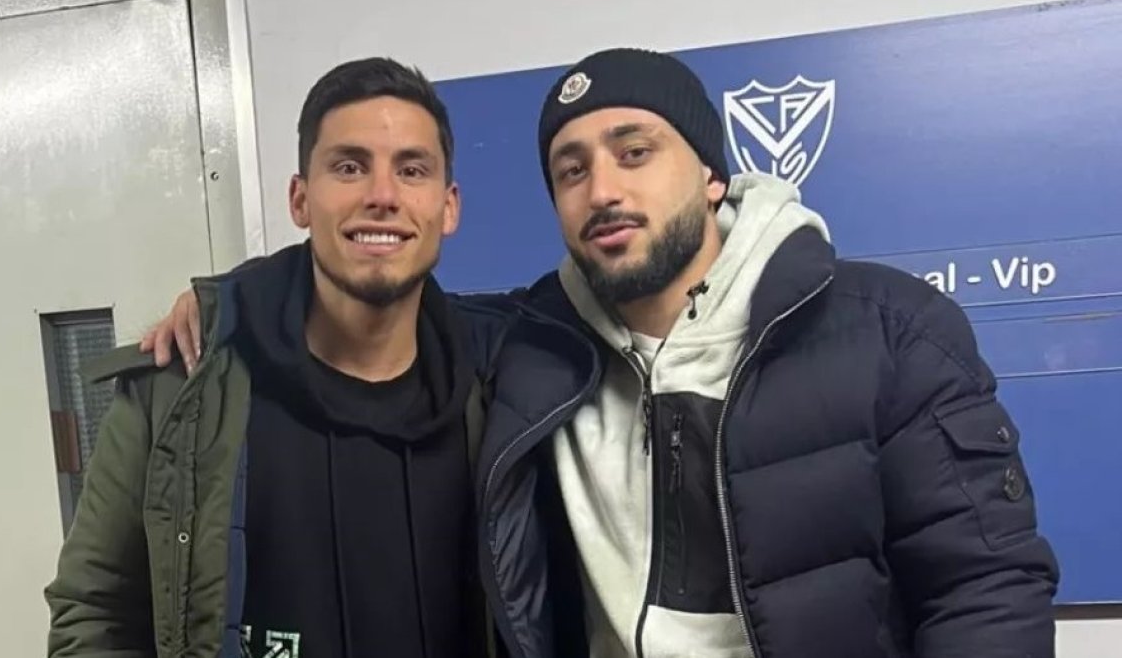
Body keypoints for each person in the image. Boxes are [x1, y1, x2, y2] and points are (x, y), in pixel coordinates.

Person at [145, 49, 1060, 658]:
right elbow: (379, 282)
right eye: (572, 168)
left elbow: (986, 591)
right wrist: (233, 298)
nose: (603, 188)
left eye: (634, 151)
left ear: (711, 172)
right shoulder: (539, 344)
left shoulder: (887, 329)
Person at [44, 57, 507, 658]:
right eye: (349, 166)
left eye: (411, 169)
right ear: (300, 199)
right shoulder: (182, 390)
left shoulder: (503, 390)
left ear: (448, 208)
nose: (382, 196)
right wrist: (224, 303)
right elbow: (94, 609)